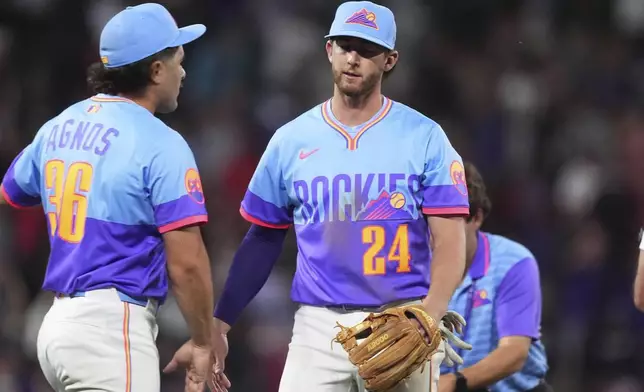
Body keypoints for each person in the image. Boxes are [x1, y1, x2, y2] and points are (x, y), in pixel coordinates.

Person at [167, 1, 470, 391]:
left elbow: (449, 239)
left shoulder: (426, 137)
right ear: (329, 50)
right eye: (345, 46)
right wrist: (220, 324)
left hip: (401, 320)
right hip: (317, 327)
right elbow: (263, 237)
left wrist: (430, 315)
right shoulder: (291, 140)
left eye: (367, 50)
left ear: (390, 60)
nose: (353, 58)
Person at [0, 3, 225, 392]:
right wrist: (204, 341)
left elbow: (11, 193)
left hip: (55, 326)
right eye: (178, 60)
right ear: (156, 71)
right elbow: (187, 262)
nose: (183, 72)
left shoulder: (59, 125)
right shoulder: (161, 142)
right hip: (110, 328)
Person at [438, 162, 551, 392]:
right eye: (433, 222)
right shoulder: (413, 266)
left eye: (451, 221)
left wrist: (453, 382)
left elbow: (514, 352)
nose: (440, 236)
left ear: (476, 217)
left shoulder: (514, 262)